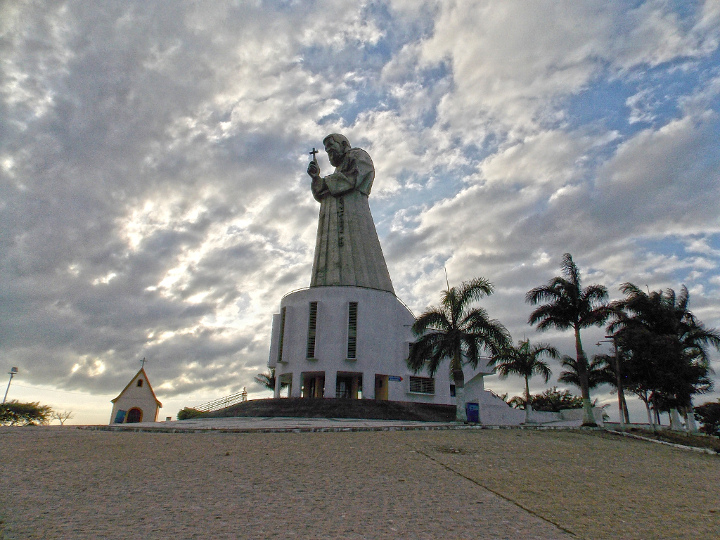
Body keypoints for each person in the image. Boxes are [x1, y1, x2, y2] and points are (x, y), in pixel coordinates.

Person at [306, 134, 394, 293]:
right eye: (327, 150)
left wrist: (325, 183)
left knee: (358, 254)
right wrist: (316, 178)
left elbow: (354, 178)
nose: (329, 152)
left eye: (331, 147)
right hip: (332, 216)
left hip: (354, 211)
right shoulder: (338, 169)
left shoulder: (358, 155)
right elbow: (322, 192)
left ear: (344, 144)